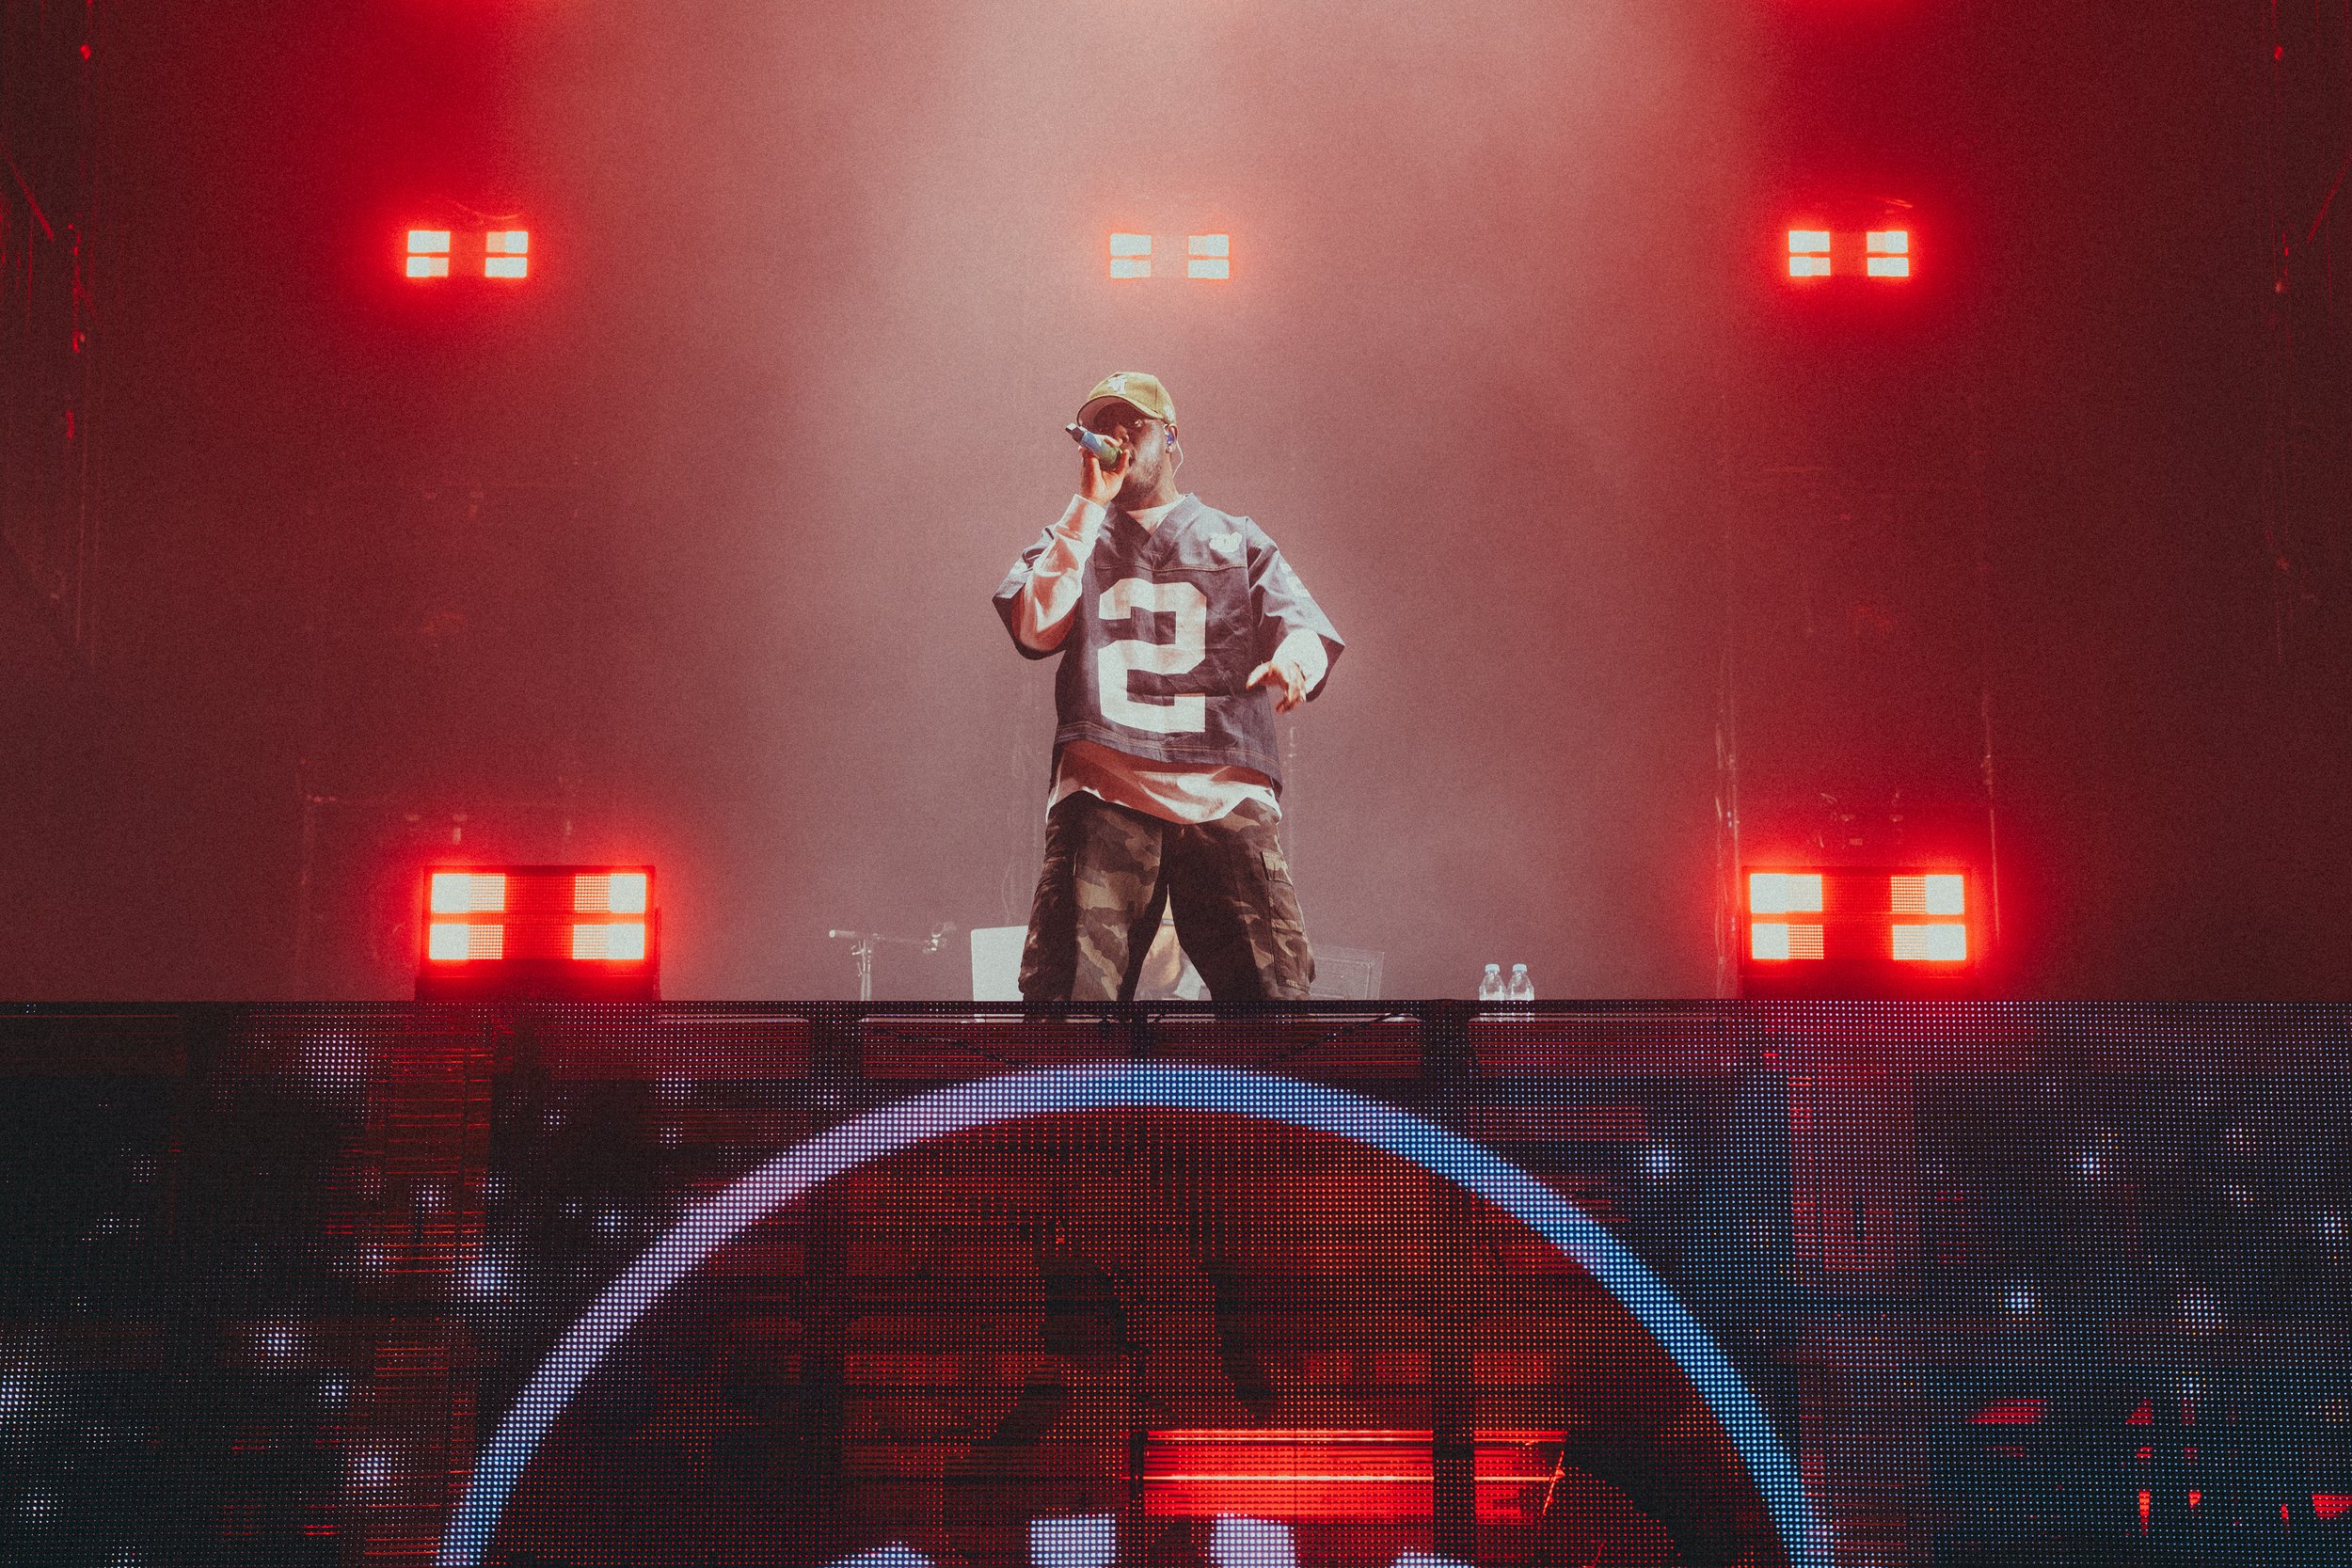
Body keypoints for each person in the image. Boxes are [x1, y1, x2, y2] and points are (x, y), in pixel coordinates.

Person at [993, 372, 1343, 1002]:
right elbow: (1034, 626)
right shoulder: (1072, 536)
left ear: (1171, 438)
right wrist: (1086, 505)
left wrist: (1296, 661)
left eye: (1134, 427)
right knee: (1071, 1002)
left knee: (1276, 1002)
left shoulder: (1236, 537)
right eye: (1104, 429)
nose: (1117, 440)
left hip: (1223, 791)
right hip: (1106, 787)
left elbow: (1303, 624)